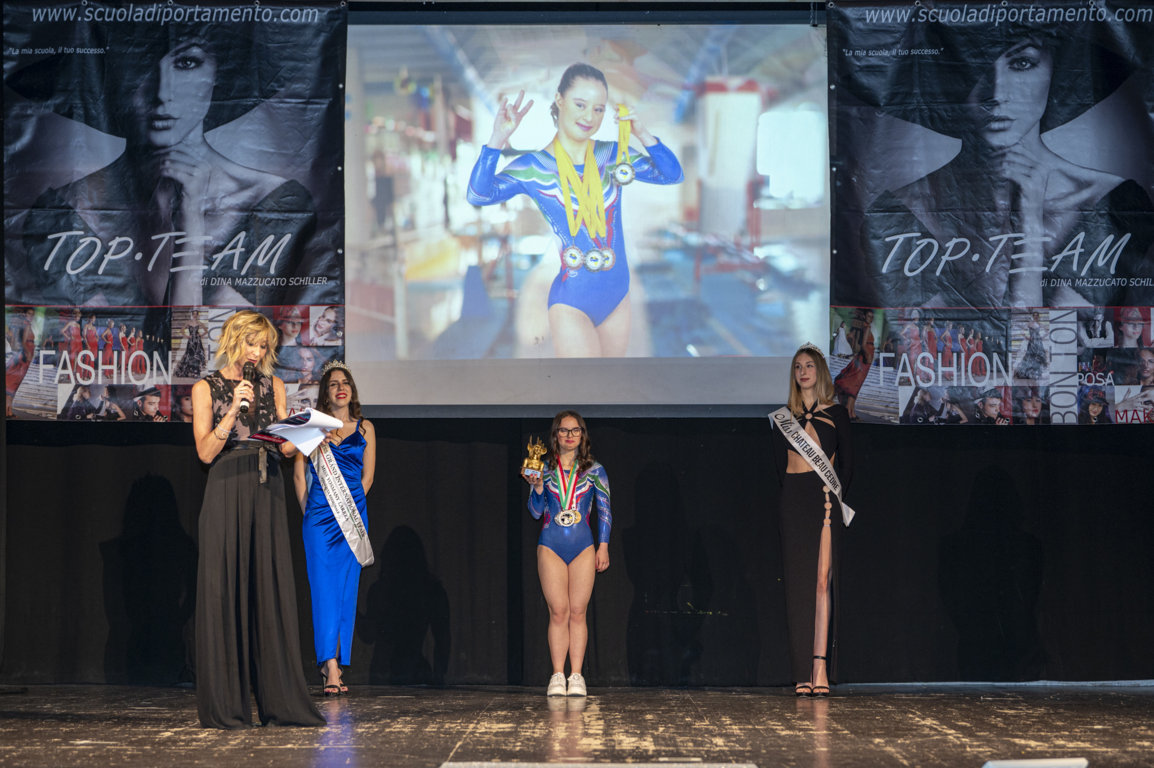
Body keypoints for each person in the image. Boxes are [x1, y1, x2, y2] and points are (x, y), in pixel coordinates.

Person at [9, 21, 329, 309]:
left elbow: (203, 349)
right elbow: (106, 346)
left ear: (218, 74)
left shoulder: (276, 204)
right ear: (111, 77)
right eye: (141, 63)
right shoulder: (61, 213)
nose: (163, 92)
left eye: (186, 62)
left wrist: (191, 221)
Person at [858, 23, 1154, 310]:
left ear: (1055, 70)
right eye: (976, 67)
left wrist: (1029, 227)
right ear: (950, 78)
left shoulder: (1115, 202)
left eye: (1022, 63)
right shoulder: (899, 214)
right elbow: (928, 339)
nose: (997, 93)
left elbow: (1050, 342)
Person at [467, 63, 683, 357]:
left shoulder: (612, 156)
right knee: (584, 381)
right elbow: (478, 194)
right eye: (580, 104)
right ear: (559, 100)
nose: (589, 117)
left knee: (608, 382)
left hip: (617, 298)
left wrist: (642, 133)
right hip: (571, 302)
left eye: (598, 109)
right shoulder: (534, 168)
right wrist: (497, 140)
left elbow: (672, 175)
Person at [190, 310, 324, 729]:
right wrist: (232, 411)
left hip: (267, 488)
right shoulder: (205, 387)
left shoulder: (274, 385)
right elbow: (205, 453)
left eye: (264, 345)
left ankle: (281, 703)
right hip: (226, 487)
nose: (258, 352)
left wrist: (304, 434)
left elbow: (284, 449)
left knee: (270, 588)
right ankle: (226, 707)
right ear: (234, 340)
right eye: (253, 343)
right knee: (224, 590)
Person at [771, 344, 854, 696]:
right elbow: (779, 468)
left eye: (809, 366)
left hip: (824, 500)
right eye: (797, 367)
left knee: (821, 582)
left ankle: (819, 665)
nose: (803, 372)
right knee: (798, 586)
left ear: (819, 371)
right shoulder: (782, 419)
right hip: (794, 500)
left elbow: (848, 465)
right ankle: (800, 670)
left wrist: (834, 495)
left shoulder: (837, 414)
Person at [293, 361, 376, 697]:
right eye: (333, 384)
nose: (341, 388)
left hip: (351, 518)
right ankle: (329, 666)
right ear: (325, 394)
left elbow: (368, 478)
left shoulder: (366, 428)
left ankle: (336, 662)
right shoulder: (312, 427)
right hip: (319, 520)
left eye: (345, 382)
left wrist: (349, 510)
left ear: (352, 390)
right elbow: (299, 476)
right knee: (323, 592)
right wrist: (311, 512)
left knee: (345, 592)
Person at [522, 411, 611, 696]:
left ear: (582, 435)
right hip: (551, 545)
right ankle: (558, 675)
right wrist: (537, 486)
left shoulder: (595, 470)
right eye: (564, 430)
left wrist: (603, 546)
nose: (569, 436)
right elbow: (536, 512)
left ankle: (576, 675)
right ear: (555, 434)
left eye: (575, 430)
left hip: (583, 547)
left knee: (578, 611)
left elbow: (605, 510)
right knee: (558, 611)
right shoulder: (544, 469)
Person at [832, 308, 876, 421]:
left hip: (864, 358)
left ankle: (851, 412)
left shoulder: (864, 327)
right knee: (855, 385)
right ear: (864, 316)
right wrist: (868, 356)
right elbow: (863, 345)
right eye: (868, 316)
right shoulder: (866, 327)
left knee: (856, 385)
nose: (870, 319)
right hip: (865, 358)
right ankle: (849, 412)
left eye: (872, 317)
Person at [174, 309, 209, 379]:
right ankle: (188, 372)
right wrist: (187, 336)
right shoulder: (188, 322)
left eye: (196, 314)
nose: (195, 315)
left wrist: (200, 335)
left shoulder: (199, 323)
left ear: (197, 315)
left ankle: (196, 372)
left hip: (197, 341)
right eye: (194, 314)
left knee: (197, 355)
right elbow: (182, 330)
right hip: (191, 341)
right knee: (189, 355)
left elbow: (206, 331)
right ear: (192, 315)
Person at [1014, 312, 1048, 381]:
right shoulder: (1030, 324)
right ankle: (1027, 373)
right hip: (1032, 342)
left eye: (1037, 315)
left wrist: (1042, 337)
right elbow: (1022, 331)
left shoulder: (1039, 324)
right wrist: (1027, 337)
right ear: (1033, 316)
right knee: (1030, 355)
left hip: (1038, 342)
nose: (1035, 317)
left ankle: (1036, 373)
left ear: (1038, 316)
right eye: (1034, 315)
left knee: (1038, 356)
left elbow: (1047, 330)